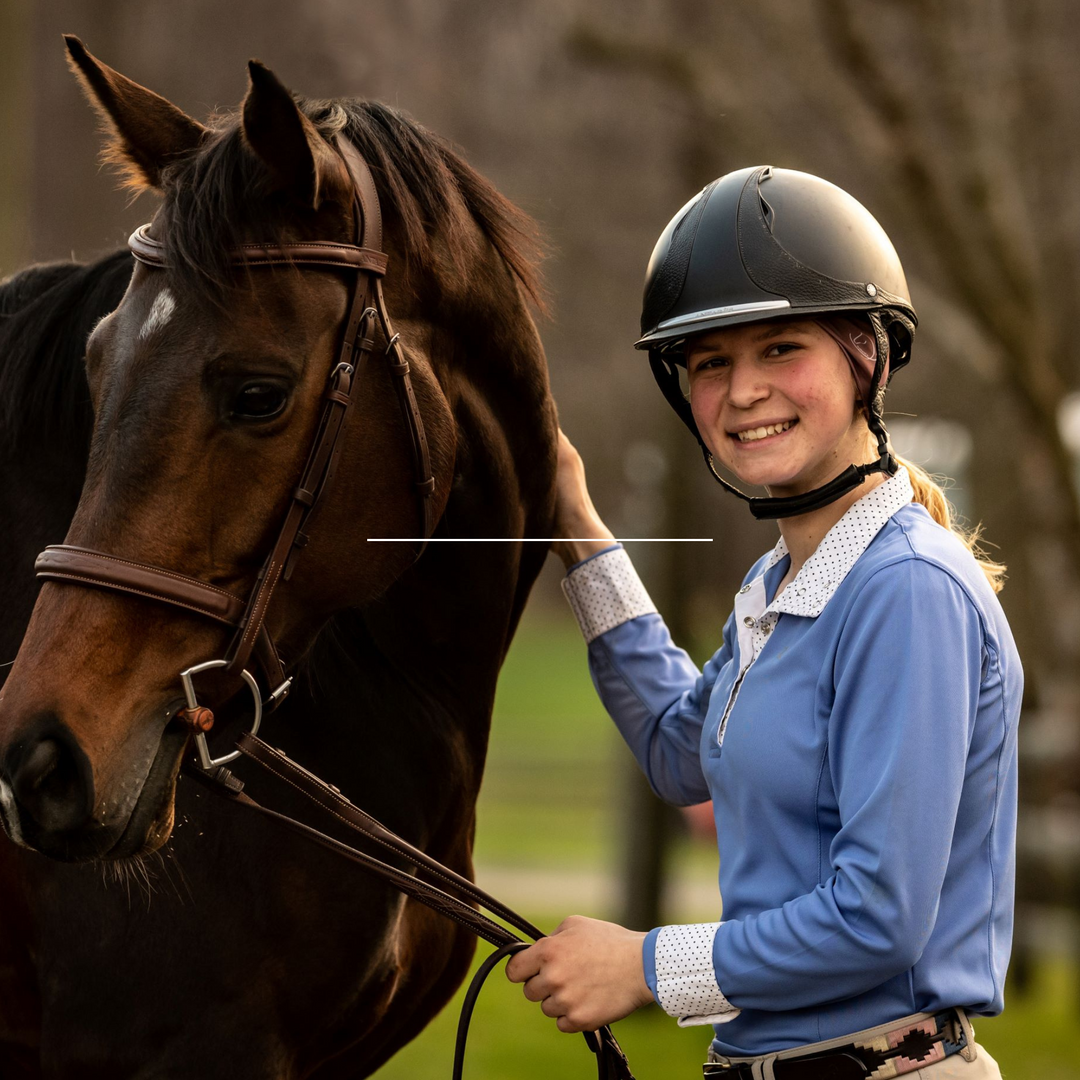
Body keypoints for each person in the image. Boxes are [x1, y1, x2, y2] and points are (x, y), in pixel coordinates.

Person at [506, 166, 1020, 1079]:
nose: (743, 391)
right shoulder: (782, 581)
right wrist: (579, 535)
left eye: (781, 349)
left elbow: (875, 917)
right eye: (711, 362)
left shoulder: (903, 590)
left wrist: (646, 966)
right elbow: (678, 749)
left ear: (869, 356)